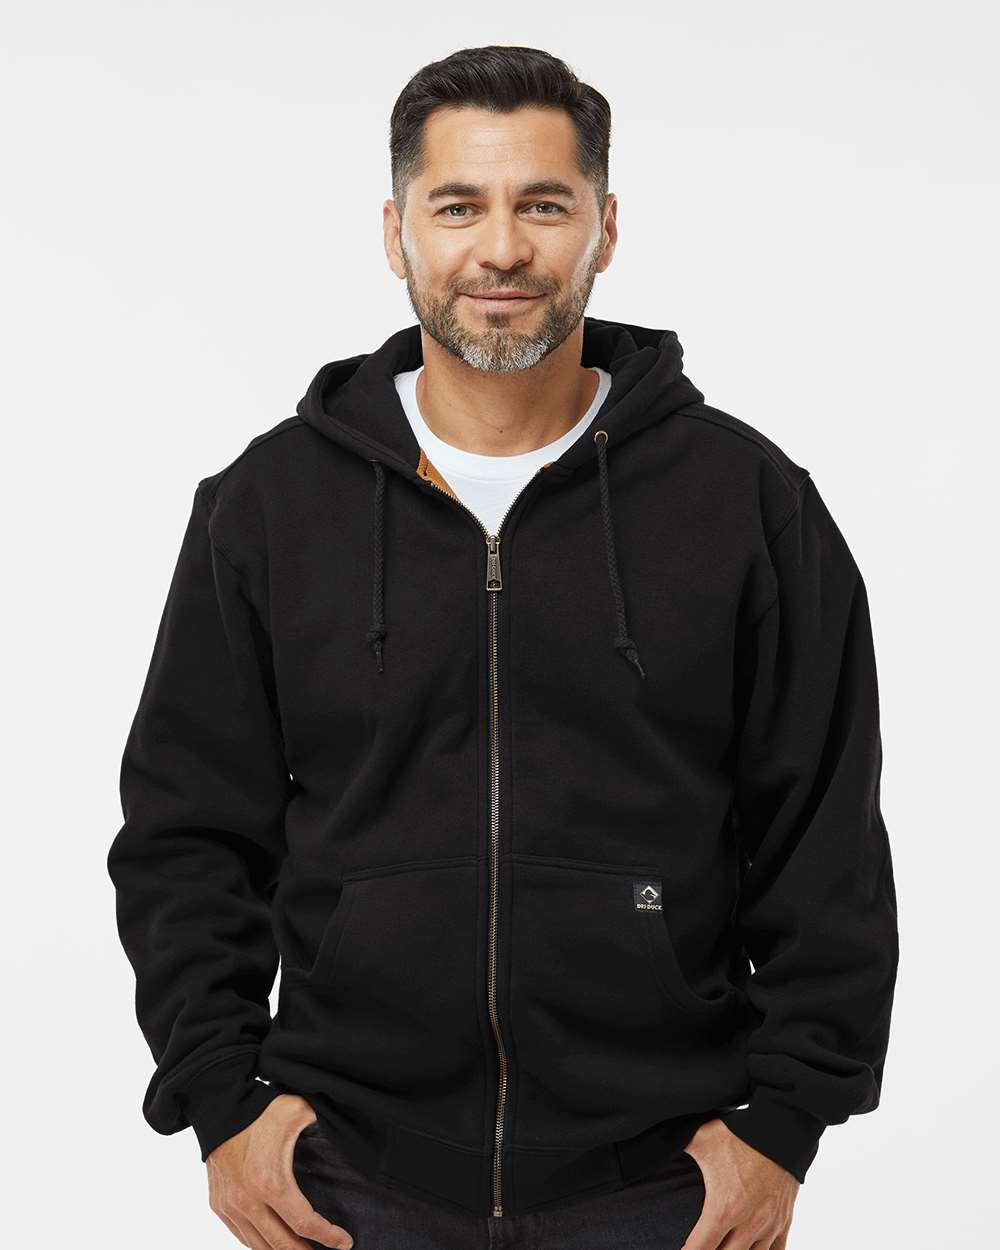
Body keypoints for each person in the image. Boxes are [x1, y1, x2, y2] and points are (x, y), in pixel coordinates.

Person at [107, 44, 899, 1250]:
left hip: (663, 1184)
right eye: (456, 206)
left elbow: (823, 836)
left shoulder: (744, 501)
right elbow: (186, 830)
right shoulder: (269, 505)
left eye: (542, 204)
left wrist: (782, 1124)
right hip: (343, 1179)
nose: (501, 249)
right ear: (395, 235)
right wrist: (221, 1099)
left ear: (604, 227)